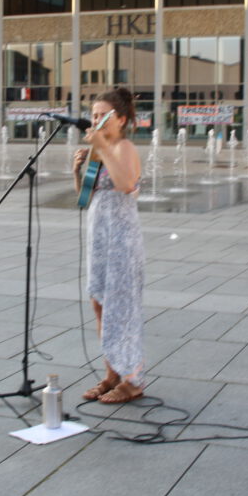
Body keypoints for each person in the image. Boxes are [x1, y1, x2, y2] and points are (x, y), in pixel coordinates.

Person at [72, 87, 146, 404]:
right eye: (94, 115)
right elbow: (85, 198)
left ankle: (133, 379)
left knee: (122, 308)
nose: (97, 121)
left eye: (104, 115)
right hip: (99, 237)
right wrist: (76, 171)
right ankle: (112, 373)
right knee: (100, 304)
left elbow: (126, 184)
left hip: (121, 239)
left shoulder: (124, 147)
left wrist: (102, 146)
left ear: (122, 119)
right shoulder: (98, 150)